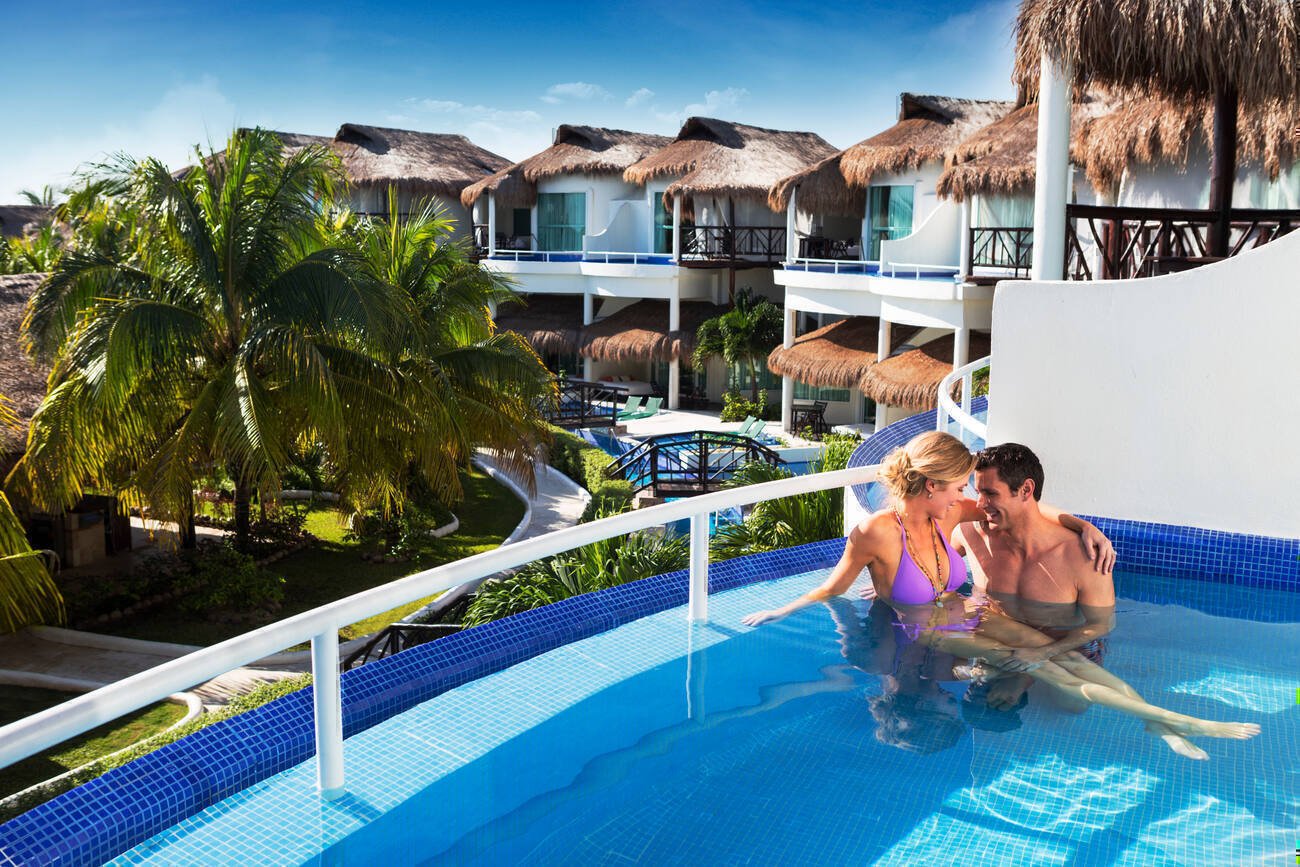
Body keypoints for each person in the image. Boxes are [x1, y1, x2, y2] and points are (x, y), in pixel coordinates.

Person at [742, 431, 1261, 756]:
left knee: (1071, 660)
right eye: (961, 485)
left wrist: (1086, 527)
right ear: (931, 486)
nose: (968, 496)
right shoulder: (876, 532)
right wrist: (780, 610)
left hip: (970, 612)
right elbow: (832, 588)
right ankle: (1180, 720)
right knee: (1043, 667)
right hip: (931, 628)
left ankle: (1156, 721)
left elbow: (1030, 507)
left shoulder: (950, 512)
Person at [954, 443, 1115, 711]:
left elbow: (1101, 624)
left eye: (990, 493)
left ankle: (1023, 675)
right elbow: (931, 555)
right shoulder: (970, 534)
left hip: (1060, 645)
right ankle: (1017, 673)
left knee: (1072, 707)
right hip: (1001, 638)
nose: (980, 504)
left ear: (1026, 490)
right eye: (978, 492)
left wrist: (1042, 654)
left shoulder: (1083, 555)